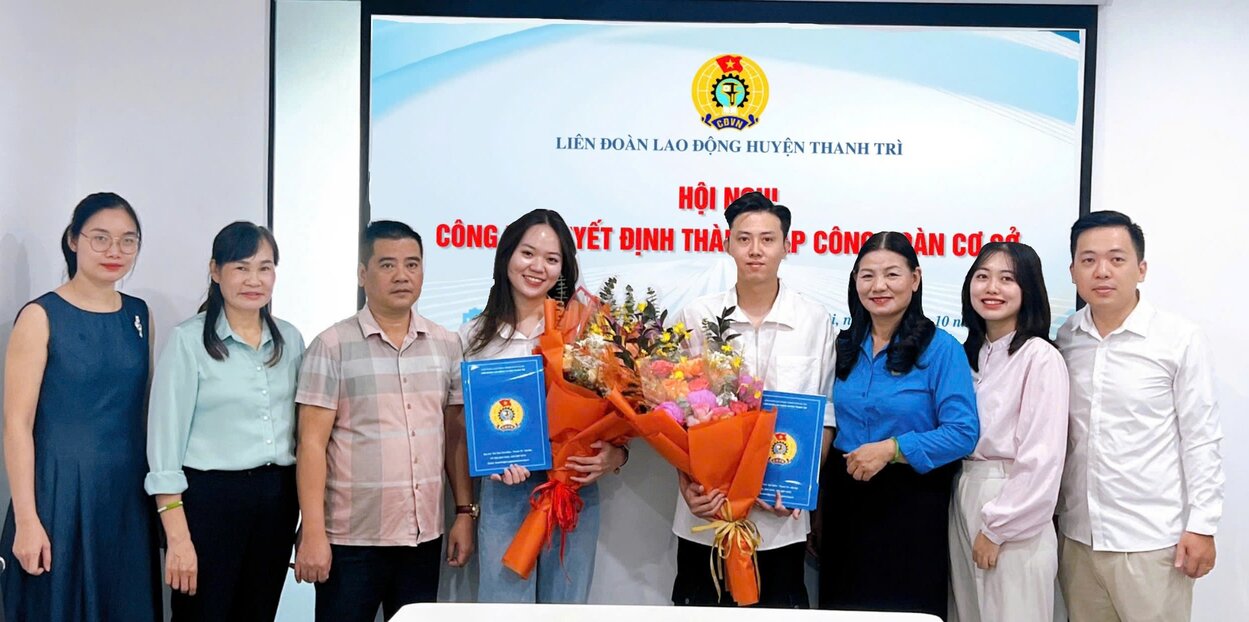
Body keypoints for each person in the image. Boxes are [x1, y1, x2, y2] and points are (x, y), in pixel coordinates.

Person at [293, 220, 474, 622]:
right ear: (363, 273)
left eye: (412, 264)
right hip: (350, 541)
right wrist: (313, 532)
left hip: (422, 537)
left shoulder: (446, 344)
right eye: (388, 265)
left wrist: (465, 512)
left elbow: (455, 438)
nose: (402, 276)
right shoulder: (332, 345)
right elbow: (310, 445)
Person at [1055, 211, 1223, 622]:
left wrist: (1202, 526)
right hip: (1078, 539)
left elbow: (1201, 437)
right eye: (1088, 259)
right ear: (1073, 271)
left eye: (1117, 258)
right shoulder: (1066, 339)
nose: (1102, 271)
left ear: (1141, 269)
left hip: (1153, 544)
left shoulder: (1178, 339)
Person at [1, 192, 161, 621]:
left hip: (126, 493)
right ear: (73, 240)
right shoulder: (40, 315)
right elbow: (16, 425)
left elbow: (140, 410)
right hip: (59, 494)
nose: (115, 251)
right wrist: (26, 520)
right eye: (101, 238)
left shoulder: (139, 313)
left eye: (128, 240)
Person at [671, 192, 836, 608]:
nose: (755, 250)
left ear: (786, 246)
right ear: (727, 244)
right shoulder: (697, 318)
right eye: (744, 239)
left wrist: (800, 488)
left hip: (781, 519)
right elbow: (673, 416)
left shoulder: (814, 320)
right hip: (706, 514)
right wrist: (689, 486)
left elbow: (825, 415)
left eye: (767, 239)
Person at [460, 208, 628, 603]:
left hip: (572, 489)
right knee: (503, 609)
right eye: (528, 254)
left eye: (552, 259)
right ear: (506, 257)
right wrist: (487, 462)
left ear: (564, 268)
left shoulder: (588, 333)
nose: (538, 267)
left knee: (566, 608)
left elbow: (622, 414)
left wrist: (614, 456)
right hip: (504, 494)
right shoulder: (474, 336)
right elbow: (463, 424)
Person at [145, 221, 304, 619]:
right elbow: (164, 450)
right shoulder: (188, 341)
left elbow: (305, 435)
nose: (254, 280)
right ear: (216, 272)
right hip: (210, 502)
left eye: (265, 268)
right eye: (241, 267)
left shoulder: (291, 340)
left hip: (278, 500)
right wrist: (177, 537)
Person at [820, 231, 978, 619]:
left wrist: (893, 449)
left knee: (906, 610)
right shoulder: (841, 346)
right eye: (867, 275)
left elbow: (963, 432)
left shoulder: (942, 349)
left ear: (916, 279)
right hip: (845, 501)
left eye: (892, 274)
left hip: (911, 504)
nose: (878, 286)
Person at [949, 242, 1068, 622]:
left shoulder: (1039, 356)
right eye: (982, 277)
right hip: (964, 488)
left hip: (1011, 502)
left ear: (1028, 289)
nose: (991, 288)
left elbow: (1041, 456)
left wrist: (999, 528)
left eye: (1007, 279)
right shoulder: (969, 354)